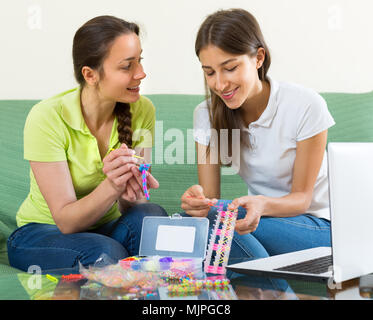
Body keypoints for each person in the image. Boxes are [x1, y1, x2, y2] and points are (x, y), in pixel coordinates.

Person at [7, 15, 168, 273]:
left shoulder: (142, 110)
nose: (141, 73)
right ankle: (116, 263)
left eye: (140, 60)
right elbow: (67, 223)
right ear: (90, 75)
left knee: (152, 218)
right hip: (43, 234)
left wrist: (132, 193)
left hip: (104, 231)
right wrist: (113, 184)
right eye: (127, 66)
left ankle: (125, 271)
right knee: (104, 252)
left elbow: (130, 207)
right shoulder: (47, 117)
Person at [181, 9, 335, 267]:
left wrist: (261, 204)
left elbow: (302, 199)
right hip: (260, 220)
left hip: (320, 225)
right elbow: (210, 201)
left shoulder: (305, 105)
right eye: (209, 72)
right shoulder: (206, 114)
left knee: (220, 225)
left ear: (258, 58)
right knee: (202, 222)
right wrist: (198, 201)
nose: (219, 84)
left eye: (229, 68)